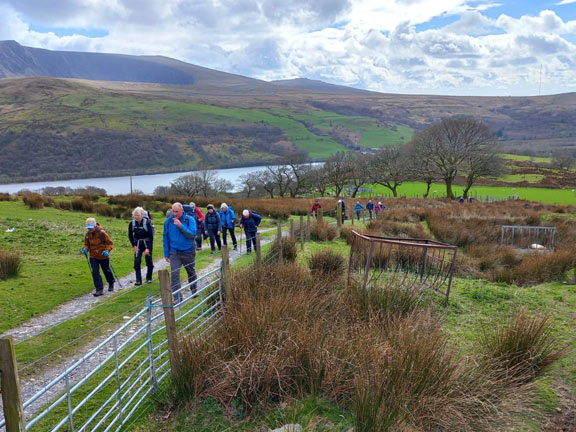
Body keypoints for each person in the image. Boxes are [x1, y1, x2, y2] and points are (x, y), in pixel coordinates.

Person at [163, 202, 198, 304]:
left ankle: (194, 291)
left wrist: (180, 226)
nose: (174, 214)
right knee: (174, 273)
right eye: (173, 211)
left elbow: (192, 235)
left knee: (191, 272)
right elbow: (165, 236)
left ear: (182, 210)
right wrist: (166, 253)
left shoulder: (189, 220)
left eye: (177, 211)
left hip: (188, 251)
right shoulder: (168, 221)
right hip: (174, 252)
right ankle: (177, 297)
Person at [82, 217, 115, 297]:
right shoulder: (87, 235)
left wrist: (107, 251)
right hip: (93, 256)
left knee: (106, 271)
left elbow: (110, 244)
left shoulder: (102, 233)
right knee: (95, 272)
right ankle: (99, 289)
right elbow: (87, 244)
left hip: (103, 256)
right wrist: (85, 249)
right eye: (88, 228)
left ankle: (111, 282)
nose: (90, 229)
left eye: (91, 228)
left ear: (94, 226)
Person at [128, 207, 154, 286]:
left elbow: (151, 236)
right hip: (138, 244)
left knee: (148, 261)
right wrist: (134, 246)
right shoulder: (132, 223)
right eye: (135, 215)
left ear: (142, 215)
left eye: (138, 215)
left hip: (147, 243)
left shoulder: (147, 222)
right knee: (136, 262)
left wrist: (148, 249)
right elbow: (130, 235)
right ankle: (138, 280)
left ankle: (149, 278)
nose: (136, 217)